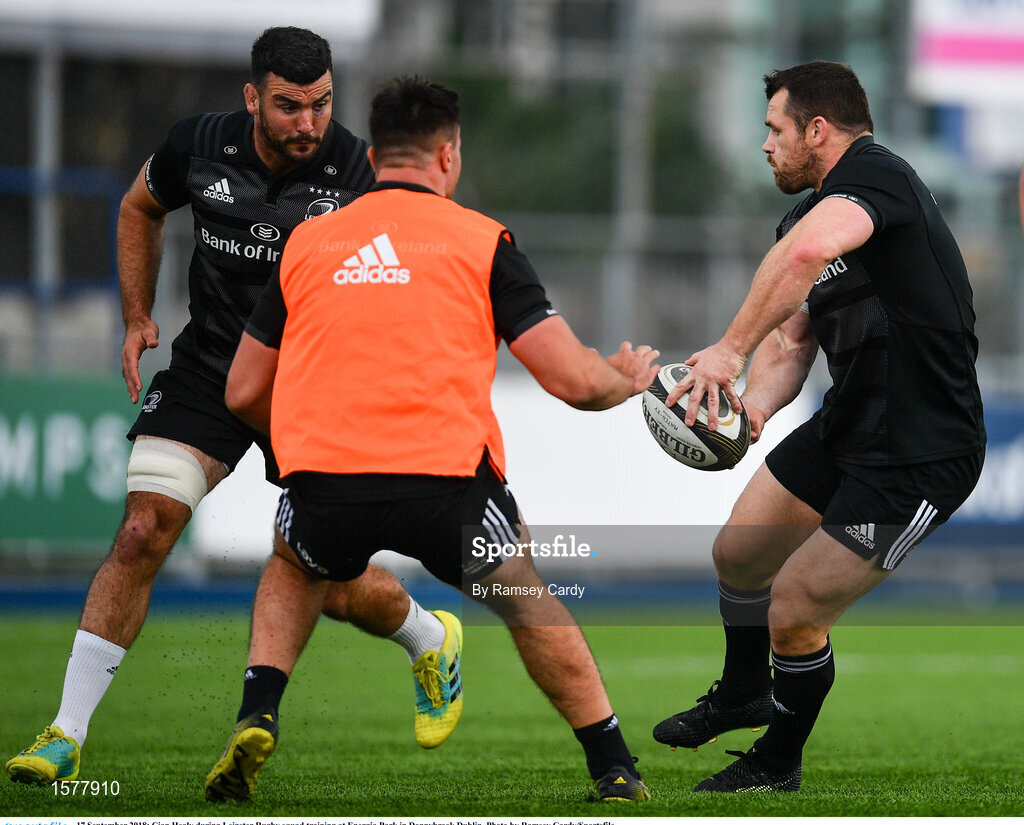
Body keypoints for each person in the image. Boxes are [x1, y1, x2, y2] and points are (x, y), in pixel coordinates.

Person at [6, 28, 460, 786]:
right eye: (288, 107)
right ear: (253, 98)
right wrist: (136, 315)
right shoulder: (199, 145)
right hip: (213, 366)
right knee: (143, 529)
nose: (307, 124)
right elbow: (138, 207)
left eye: (319, 105)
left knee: (333, 576)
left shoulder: (358, 168)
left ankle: (428, 637)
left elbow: (417, 261)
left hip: (314, 386)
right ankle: (66, 730)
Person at [203, 76, 658, 804]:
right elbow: (571, 380)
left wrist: (298, 446)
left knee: (294, 562)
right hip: (445, 484)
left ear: (376, 155)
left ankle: (259, 709)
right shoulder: (482, 241)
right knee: (525, 596)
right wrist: (624, 378)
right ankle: (613, 763)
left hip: (326, 482)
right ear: (447, 155)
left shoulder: (309, 244)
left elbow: (243, 391)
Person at [652, 61, 985, 792]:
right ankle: (742, 693)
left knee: (795, 610)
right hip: (849, 424)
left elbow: (805, 258)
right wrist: (753, 409)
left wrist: (725, 351)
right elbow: (793, 339)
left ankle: (778, 761)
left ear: (817, 130)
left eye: (774, 129)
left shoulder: (877, 176)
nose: (764, 145)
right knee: (738, 553)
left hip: (920, 450)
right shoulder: (802, 216)